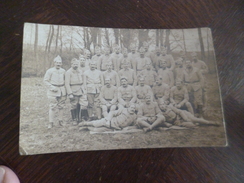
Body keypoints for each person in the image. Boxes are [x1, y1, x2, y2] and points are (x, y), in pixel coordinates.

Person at [43, 55, 66, 128]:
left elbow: (66, 80)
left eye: (60, 63)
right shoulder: (50, 71)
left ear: (61, 63)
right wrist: (52, 87)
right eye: (57, 62)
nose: (58, 64)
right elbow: (45, 81)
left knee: (61, 106)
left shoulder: (63, 71)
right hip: (53, 90)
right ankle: (51, 122)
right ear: (54, 63)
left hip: (62, 90)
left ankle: (60, 121)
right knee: (52, 106)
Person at [65, 58, 88, 125]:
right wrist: (70, 93)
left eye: (77, 64)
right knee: (74, 105)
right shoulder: (68, 72)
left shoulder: (80, 71)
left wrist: (84, 89)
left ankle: (83, 118)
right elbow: (67, 84)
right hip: (73, 89)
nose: (75, 65)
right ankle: (74, 119)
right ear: (71, 64)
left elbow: (84, 81)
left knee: (84, 104)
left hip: (81, 89)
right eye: (74, 64)